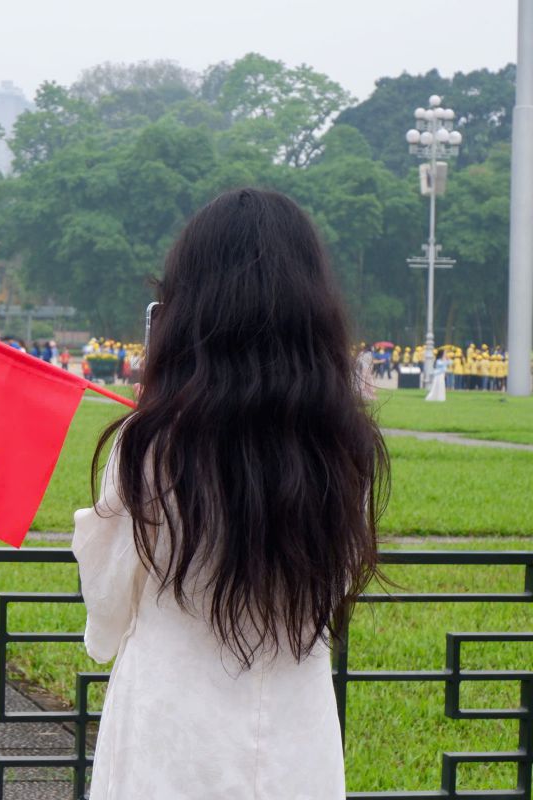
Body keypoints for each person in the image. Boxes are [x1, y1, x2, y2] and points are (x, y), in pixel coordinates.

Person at [74, 189, 387, 799]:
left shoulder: (150, 442)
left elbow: (108, 604)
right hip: (296, 716)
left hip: (171, 719)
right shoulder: (345, 442)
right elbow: (337, 579)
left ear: (189, 303)